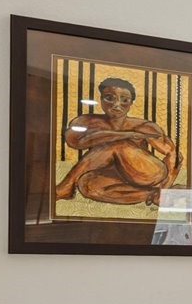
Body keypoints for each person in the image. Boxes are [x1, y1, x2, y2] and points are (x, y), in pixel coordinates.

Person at [55, 76, 180, 206]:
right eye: (109, 98)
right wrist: (126, 134)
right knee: (87, 185)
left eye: (124, 100)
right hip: (116, 175)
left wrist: (164, 186)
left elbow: (174, 155)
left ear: (131, 103)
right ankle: (150, 195)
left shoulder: (143, 126)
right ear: (101, 100)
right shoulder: (87, 121)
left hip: (149, 172)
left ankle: (66, 187)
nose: (116, 105)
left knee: (118, 145)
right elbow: (74, 142)